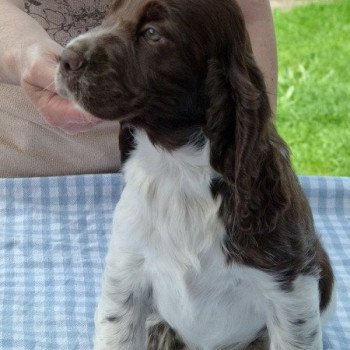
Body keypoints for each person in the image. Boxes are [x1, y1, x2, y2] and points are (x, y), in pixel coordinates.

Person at [0, 0, 277, 178]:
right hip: (21, 172)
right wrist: (23, 53)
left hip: (182, 167)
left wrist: (251, 147)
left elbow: (246, 13)